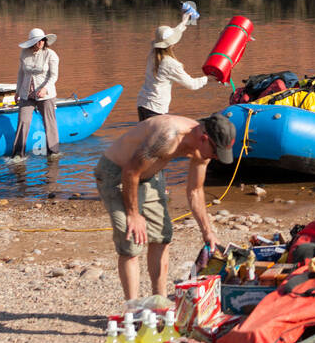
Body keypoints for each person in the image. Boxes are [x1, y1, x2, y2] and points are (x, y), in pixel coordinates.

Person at [96, 112, 233, 302]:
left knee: (162, 236)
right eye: (216, 152)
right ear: (204, 138)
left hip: (149, 176)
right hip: (117, 173)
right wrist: (133, 214)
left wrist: (207, 231)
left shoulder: (203, 150)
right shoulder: (168, 135)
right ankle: (133, 308)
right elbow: (130, 171)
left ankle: (158, 301)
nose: (216, 158)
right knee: (131, 240)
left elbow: (195, 190)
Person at [137, 14, 209, 121]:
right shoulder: (171, 64)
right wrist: (208, 78)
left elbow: (170, 34)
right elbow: (192, 85)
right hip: (156, 109)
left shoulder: (152, 53)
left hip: (142, 104)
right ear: (172, 44)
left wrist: (184, 22)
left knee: (145, 137)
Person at [9, 28, 61, 160]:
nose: (40, 43)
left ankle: (53, 152)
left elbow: (53, 76)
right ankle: (18, 155)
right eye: (37, 41)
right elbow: (21, 73)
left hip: (46, 95)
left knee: (49, 123)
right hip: (27, 94)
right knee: (23, 121)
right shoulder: (24, 53)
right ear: (32, 42)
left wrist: (45, 89)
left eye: (42, 40)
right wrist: (17, 91)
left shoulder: (51, 55)